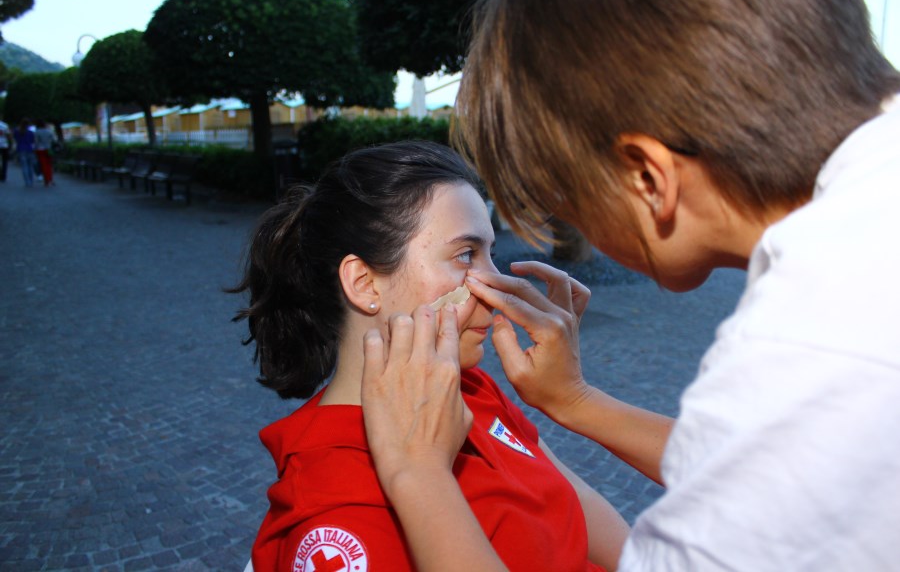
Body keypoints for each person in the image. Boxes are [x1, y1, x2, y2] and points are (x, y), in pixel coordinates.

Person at [358, 0, 900, 571]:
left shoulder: (810, 349)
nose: (488, 284)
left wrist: (417, 472)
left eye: (565, 199)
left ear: (647, 178)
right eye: (465, 253)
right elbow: (776, 470)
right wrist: (575, 400)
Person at [232, 141, 630, 572]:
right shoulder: (337, 520)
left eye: (491, 255)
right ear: (364, 283)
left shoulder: (466, 386)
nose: (496, 286)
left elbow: (576, 502)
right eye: (465, 255)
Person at [12, 119, 37, 188]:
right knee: (30, 166)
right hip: (29, 149)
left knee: (24, 166)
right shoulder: (30, 133)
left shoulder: (17, 131)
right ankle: (31, 180)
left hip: (20, 149)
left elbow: (15, 139)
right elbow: (33, 141)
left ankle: (27, 182)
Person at [33, 120, 56, 187]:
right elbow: (53, 140)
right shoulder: (49, 131)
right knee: (49, 164)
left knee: (43, 165)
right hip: (49, 149)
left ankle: (46, 180)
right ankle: (50, 179)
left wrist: (35, 149)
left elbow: (36, 142)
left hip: (40, 149)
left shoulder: (37, 132)